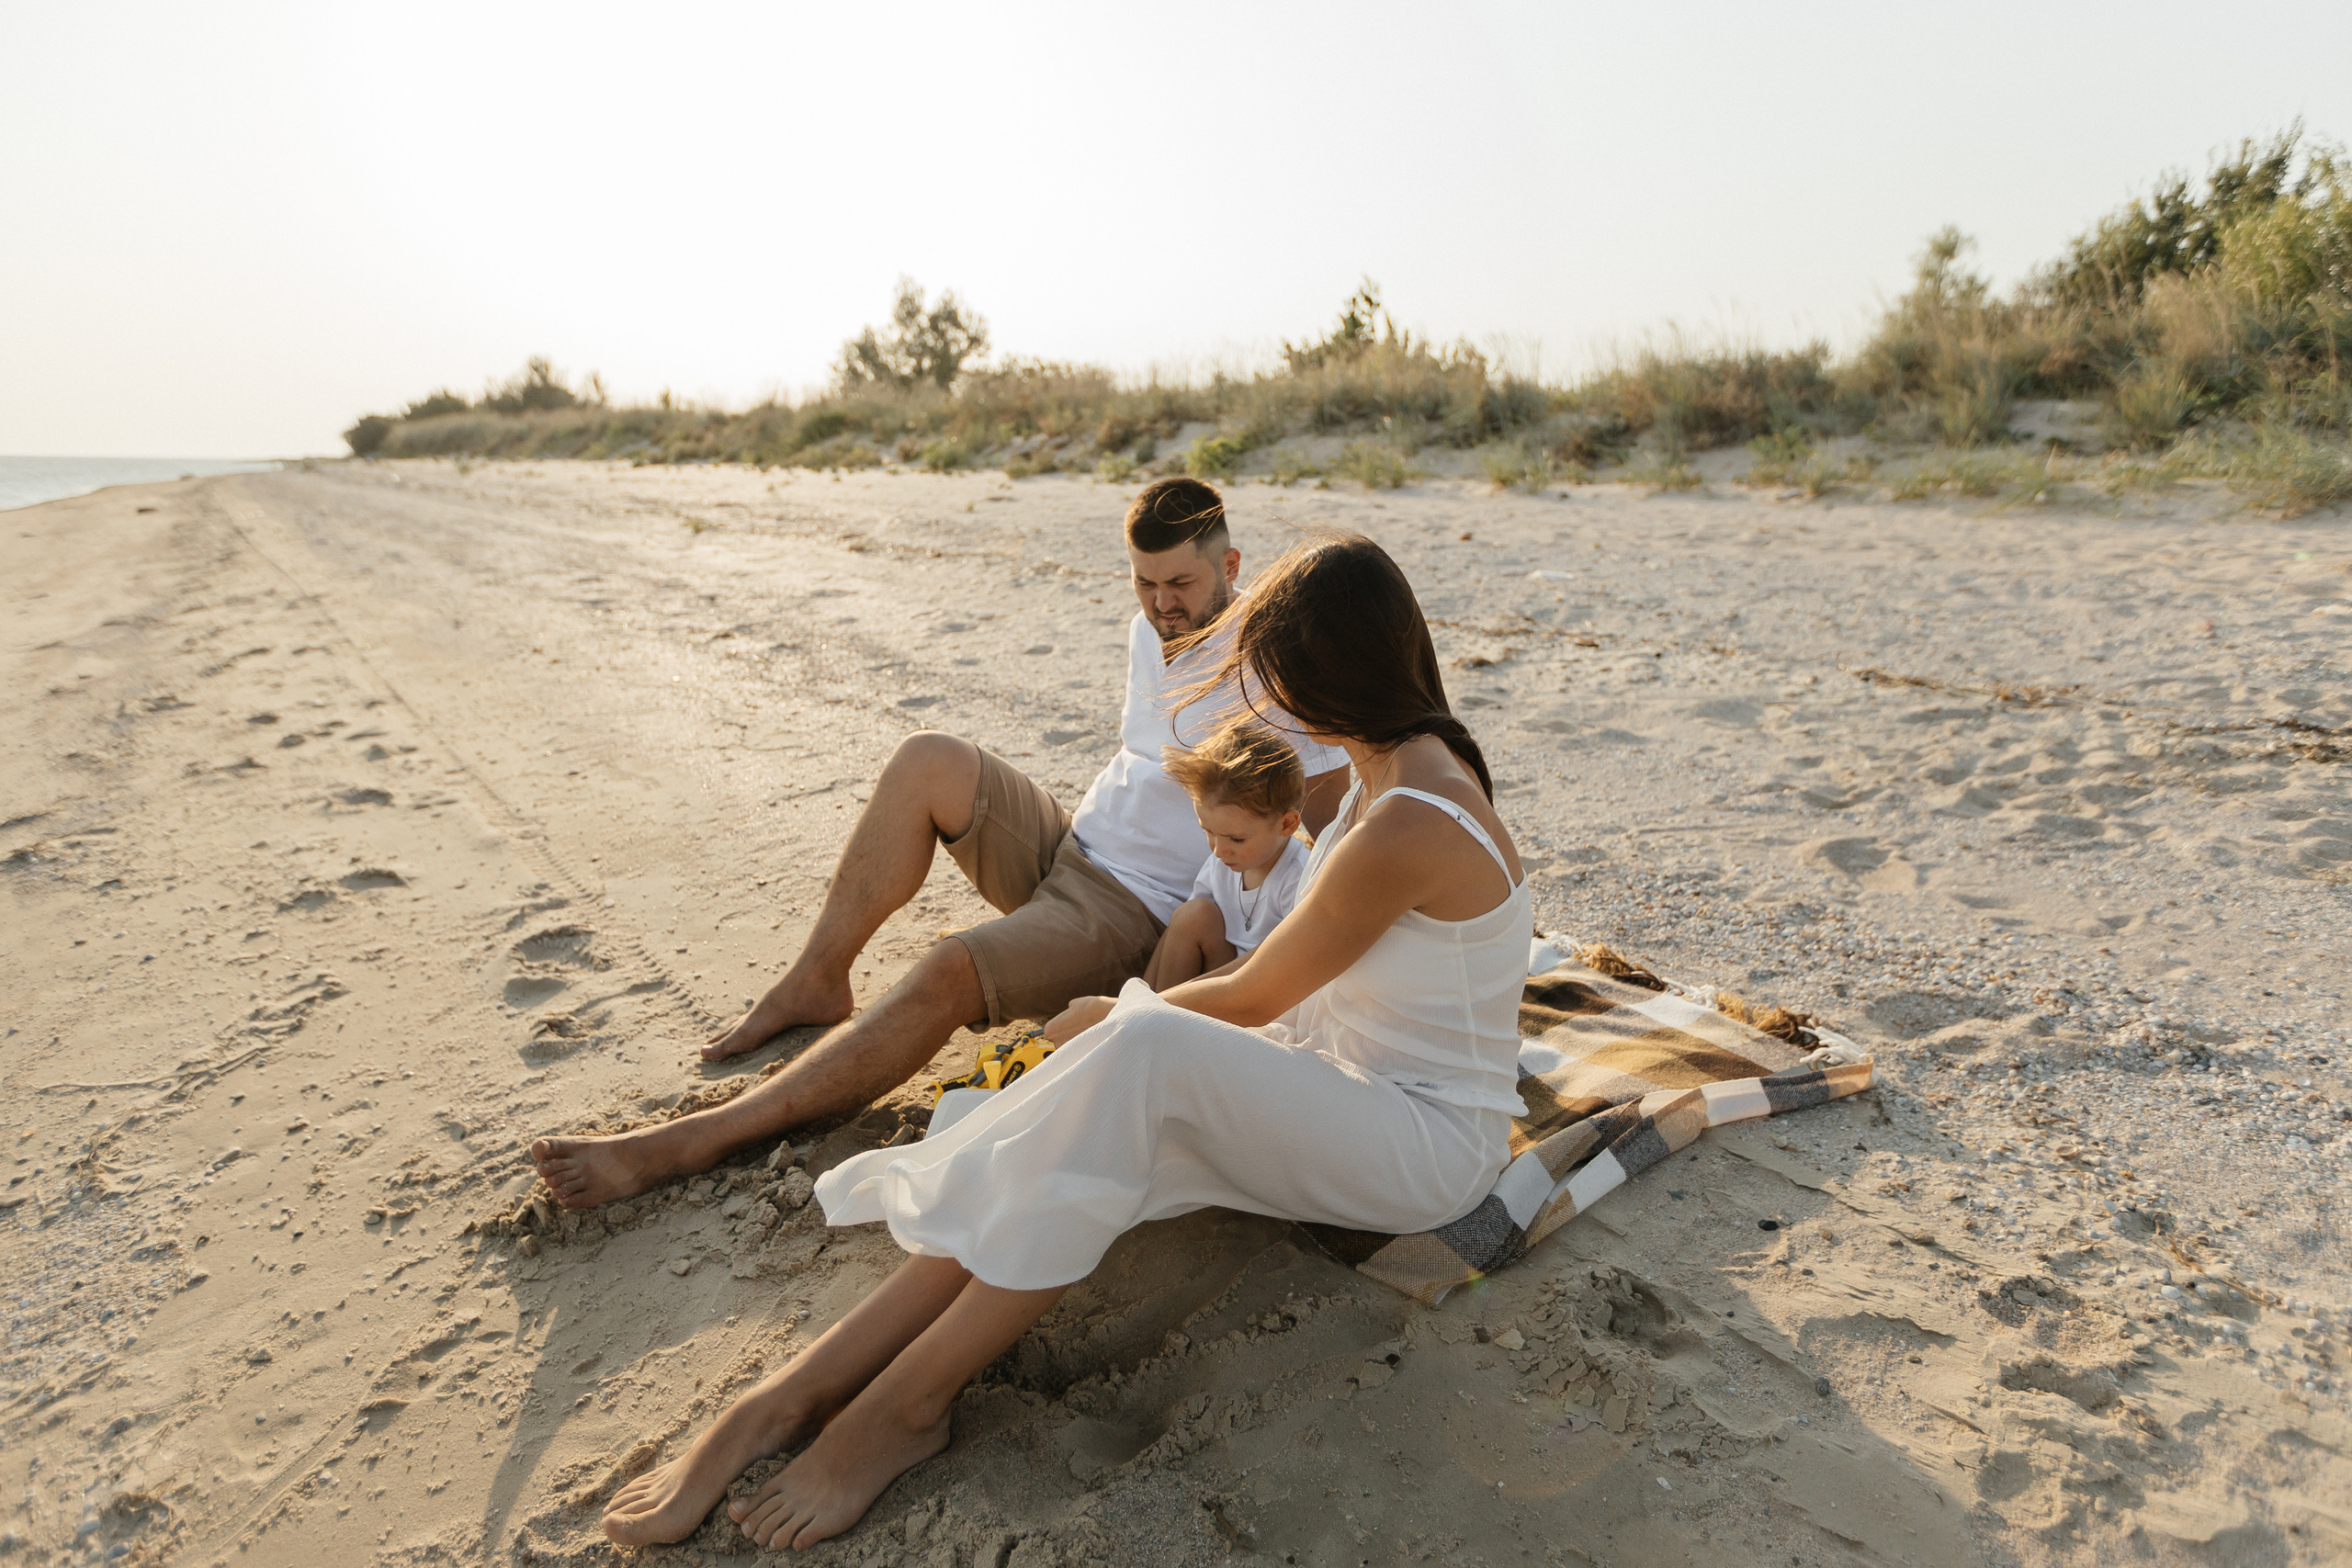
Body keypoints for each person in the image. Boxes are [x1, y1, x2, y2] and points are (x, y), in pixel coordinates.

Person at [599, 531, 1532, 1552]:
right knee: (1085, 1126)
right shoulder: (1381, 774)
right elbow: (1283, 983)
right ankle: (791, 1395)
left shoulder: (1406, 813)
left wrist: (1119, 1014)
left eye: (1277, 680)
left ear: (1332, 676)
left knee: (1136, 1050)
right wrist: (1121, 1024)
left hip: (1423, 1143)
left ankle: (899, 1409)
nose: (1266, 705)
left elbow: (1261, 994)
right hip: (1340, 1086)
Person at [530, 478, 1350, 1208]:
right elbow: (1143, 757)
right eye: (1144, 582)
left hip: (1138, 914)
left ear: (1230, 563)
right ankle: (817, 980)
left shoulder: (1276, 662)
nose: (1162, 602)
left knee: (950, 966)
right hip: (1074, 847)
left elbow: (1330, 828)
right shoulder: (1149, 631)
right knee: (930, 758)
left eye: (1180, 582)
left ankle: (700, 1137)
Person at [1140, 719, 1309, 990]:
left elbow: (1285, 961)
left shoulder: (1299, 877)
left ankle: (1157, 1016)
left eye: (1237, 839)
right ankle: (1141, 1013)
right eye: (1208, 831)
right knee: (1192, 915)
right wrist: (1136, 998)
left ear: (1286, 824)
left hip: (1266, 990)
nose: (1218, 850)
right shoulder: (1224, 861)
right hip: (1221, 978)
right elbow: (1180, 931)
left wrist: (1189, 995)